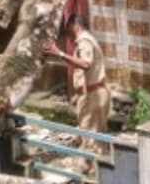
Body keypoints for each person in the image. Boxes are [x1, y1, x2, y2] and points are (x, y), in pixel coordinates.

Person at [44, 14, 109, 147]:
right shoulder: (86, 41)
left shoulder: (85, 41)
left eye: (69, 31)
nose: (69, 36)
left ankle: (89, 165)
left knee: (90, 139)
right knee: (92, 138)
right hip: (91, 94)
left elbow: (85, 64)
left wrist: (60, 54)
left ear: (76, 27)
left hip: (94, 96)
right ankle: (92, 163)